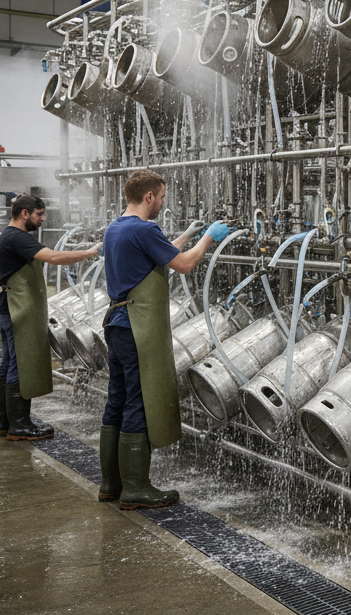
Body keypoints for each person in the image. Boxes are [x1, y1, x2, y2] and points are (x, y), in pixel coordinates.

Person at [99, 169, 230, 510]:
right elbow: (184, 265)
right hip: (137, 327)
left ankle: (111, 484)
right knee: (138, 402)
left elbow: (160, 255)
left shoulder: (117, 227)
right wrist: (210, 238)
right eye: (161, 198)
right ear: (148, 197)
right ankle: (136, 488)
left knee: (117, 400)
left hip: (116, 324)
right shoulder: (145, 229)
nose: (161, 204)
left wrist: (188, 233)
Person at [0, 194, 99, 441]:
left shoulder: (11, 236)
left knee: (9, 363)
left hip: (12, 306)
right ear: (24, 214)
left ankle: (4, 423)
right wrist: (90, 252)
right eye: (39, 214)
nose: (43, 219)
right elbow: (53, 257)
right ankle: (20, 426)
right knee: (20, 364)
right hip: (18, 308)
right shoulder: (17, 238)